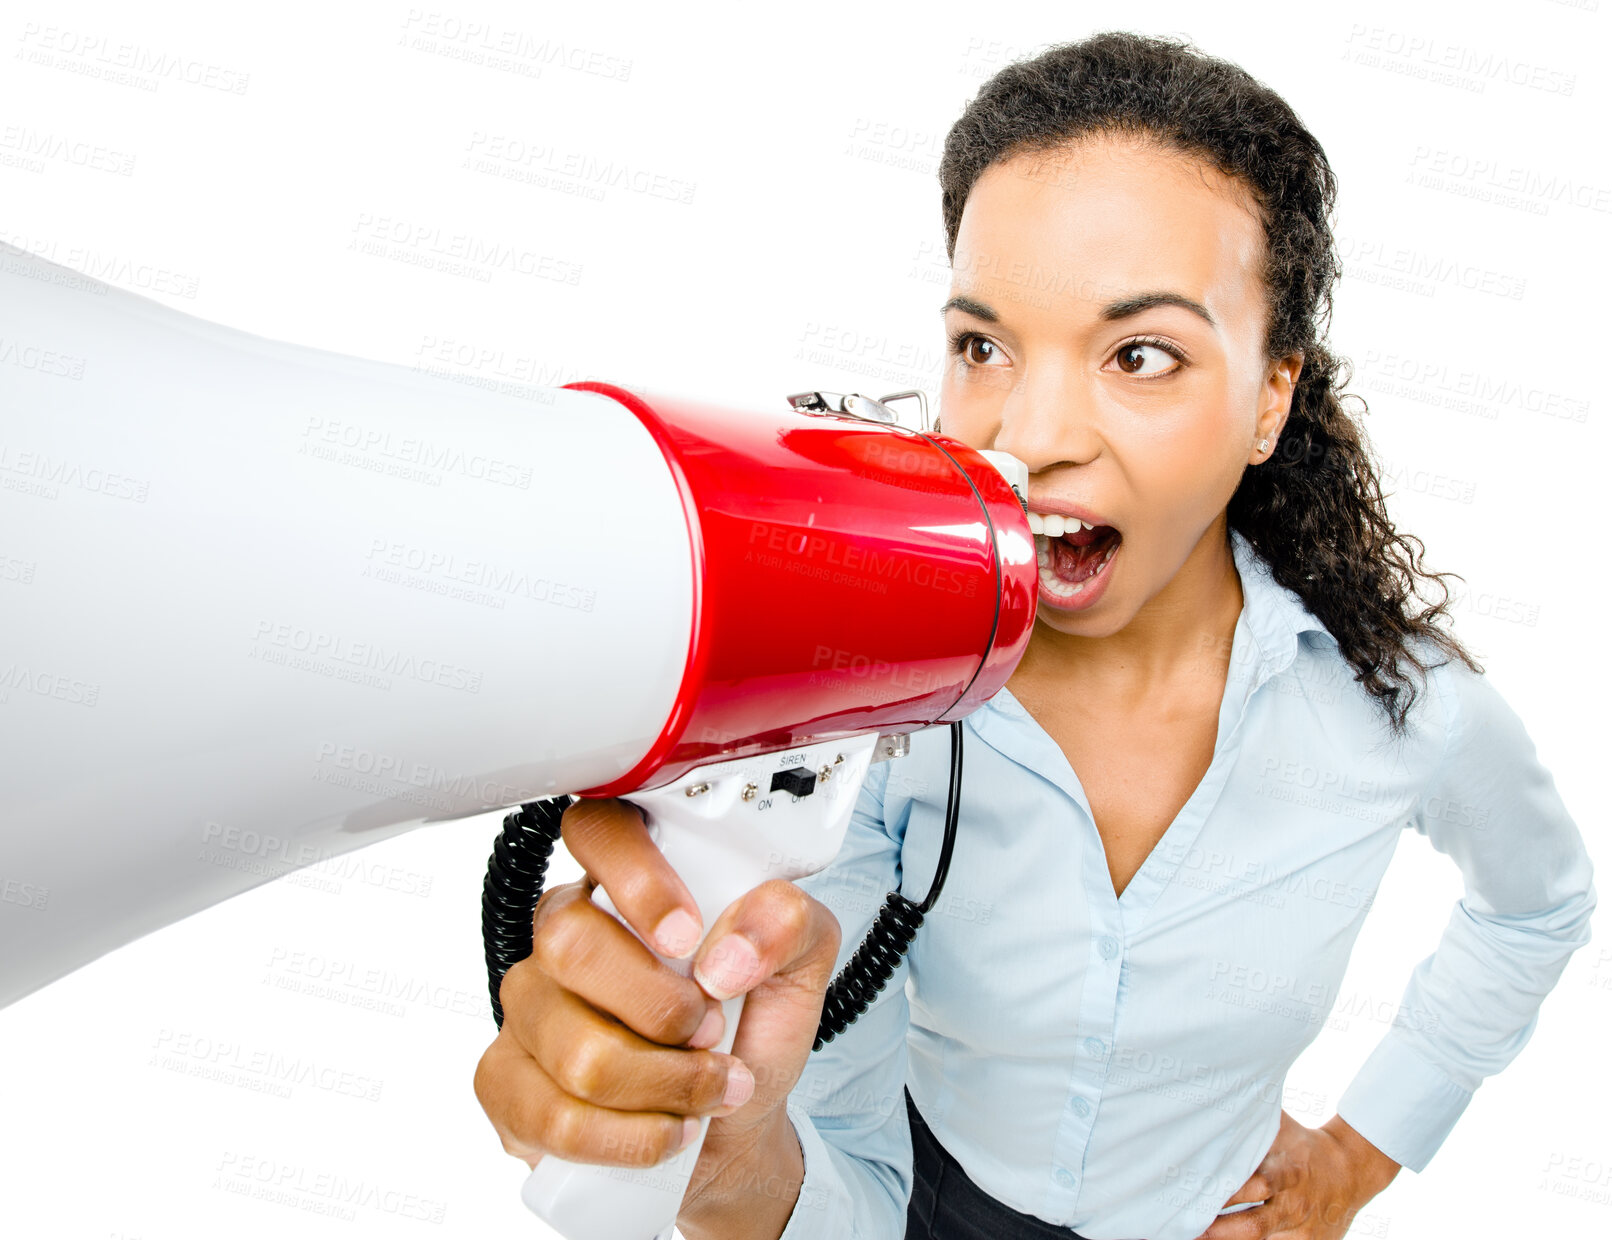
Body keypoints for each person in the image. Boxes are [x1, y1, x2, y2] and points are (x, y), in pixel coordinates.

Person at [472, 30, 1597, 1240]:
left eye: (1142, 354)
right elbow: (840, 1167)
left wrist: (1359, 1156)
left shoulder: (1403, 710)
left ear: (1269, 397)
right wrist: (724, 1156)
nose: (1032, 430)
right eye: (983, 346)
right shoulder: (884, 703)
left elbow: (1536, 906)